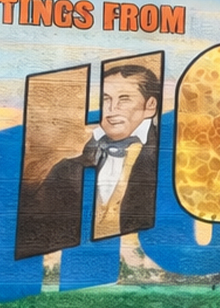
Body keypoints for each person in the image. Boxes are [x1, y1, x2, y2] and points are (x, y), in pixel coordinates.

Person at [15, 65, 161, 259]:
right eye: (105, 99)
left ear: (150, 105)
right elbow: (32, 236)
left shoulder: (166, 164)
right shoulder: (67, 171)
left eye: (124, 99)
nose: (111, 109)